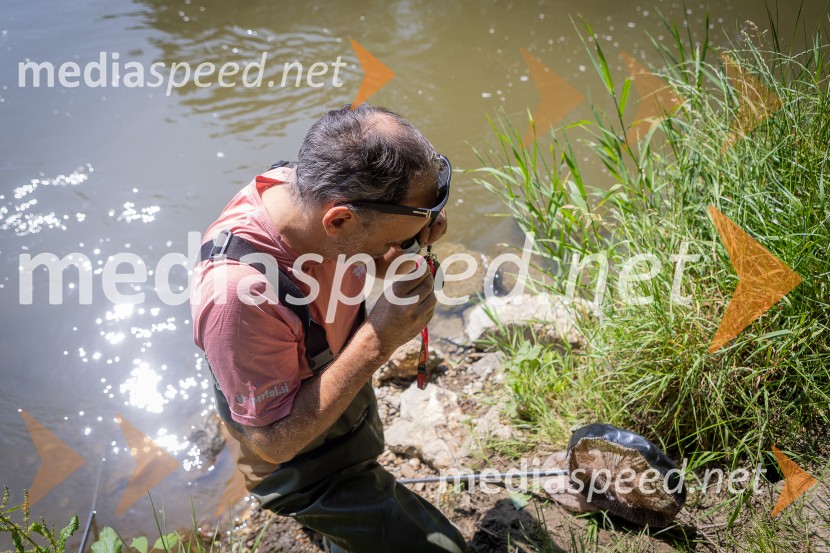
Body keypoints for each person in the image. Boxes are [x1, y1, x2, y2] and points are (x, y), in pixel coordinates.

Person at [190, 104, 467, 552]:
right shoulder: (238, 296)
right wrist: (378, 340)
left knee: (363, 495)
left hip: (338, 390)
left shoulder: (306, 194)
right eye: (396, 240)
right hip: (297, 463)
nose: (401, 249)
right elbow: (273, 444)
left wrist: (409, 239)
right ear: (338, 221)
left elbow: (368, 256)